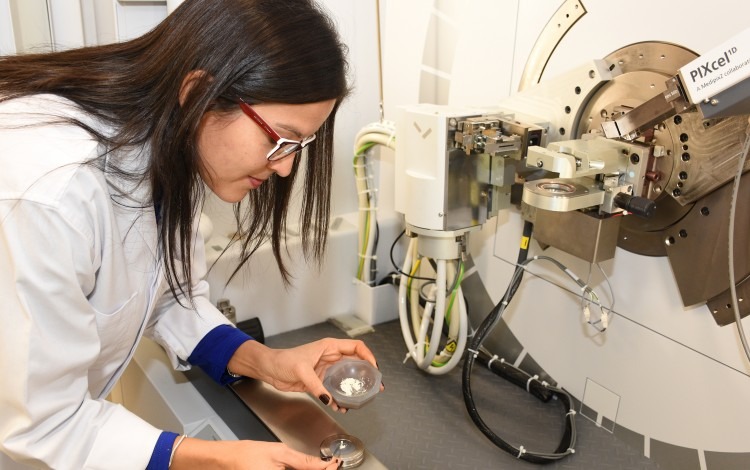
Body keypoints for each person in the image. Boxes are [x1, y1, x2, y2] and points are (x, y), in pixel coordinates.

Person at [0, 0, 381, 468]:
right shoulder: (50, 193)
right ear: (199, 92)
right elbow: (45, 424)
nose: (286, 168)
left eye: (301, 145)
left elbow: (168, 299)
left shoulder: (168, 146)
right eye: (279, 139)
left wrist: (270, 363)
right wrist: (218, 458)